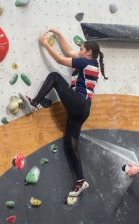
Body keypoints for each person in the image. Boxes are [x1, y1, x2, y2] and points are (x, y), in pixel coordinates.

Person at [26, 28, 108, 200]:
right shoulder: (88, 62)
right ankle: (80, 180)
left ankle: (34, 103)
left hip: (79, 103)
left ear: (89, 53)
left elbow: (59, 58)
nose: (78, 52)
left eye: (82, 50)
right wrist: (57, 33)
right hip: (82, 110)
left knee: (55, 76)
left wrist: (45, 44)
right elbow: (69, 51)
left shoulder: (85, 63)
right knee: (70, 146)